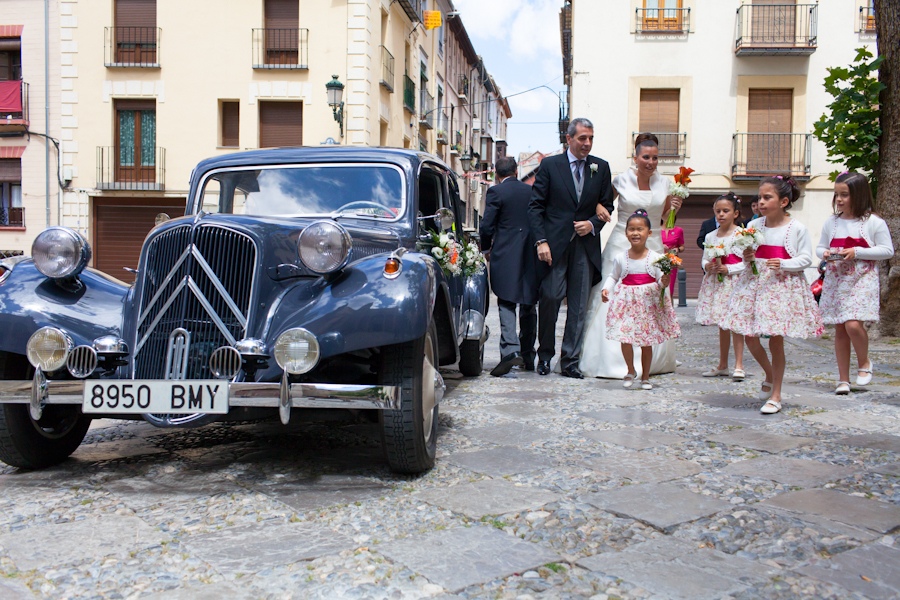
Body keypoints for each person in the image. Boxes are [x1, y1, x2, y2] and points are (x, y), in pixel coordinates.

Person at [578, 132, 683, 379]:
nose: (651, 162)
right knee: (613, 294)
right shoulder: (620, 181)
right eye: (646, 157)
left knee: (653, 296)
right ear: (635, 157)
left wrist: (675, 209)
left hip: (654, 243)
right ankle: (609, 358)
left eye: (655, 158)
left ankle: (652, 360)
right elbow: (600, 202)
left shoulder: (666, 183)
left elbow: (667, 218)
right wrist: (599, 208)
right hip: (621, 244)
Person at [723, 175, 823, 414]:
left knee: (776, 340)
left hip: (780, 287)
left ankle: (776, 393)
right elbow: (741, 249)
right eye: (760, 197)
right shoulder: (754, 226)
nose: (762, 201)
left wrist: (784, 264)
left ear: (784, 201)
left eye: (768, 197)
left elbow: (806, 257)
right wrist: (747, 255)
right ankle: (769, 372)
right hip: (755, 285)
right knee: (749, 336)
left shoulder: (796, 228)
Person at [528, 117, 614, 378]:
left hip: (585, 248)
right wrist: (541, 241)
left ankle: (570, 361)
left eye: (590, 139)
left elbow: (607, 206)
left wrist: (592, 223)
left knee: (578, 306)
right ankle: (544, 355)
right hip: (554, 246)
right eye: (582, 139)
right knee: (551, 297)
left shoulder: (601, 167)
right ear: (569, 139)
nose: (587, 144)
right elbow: (536, 206)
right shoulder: (550, 166)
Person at [815, 171, 894, 395]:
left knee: (852, 324)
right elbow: (820, 247)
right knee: (840, 329)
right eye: (836, 195)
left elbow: (887, 250)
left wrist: (857, 251)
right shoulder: (832, 222)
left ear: (858, 195)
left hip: (862, 278)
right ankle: (843, 378)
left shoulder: (873, 222)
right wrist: (826, 253)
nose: (839, 199)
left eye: (845, 195)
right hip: (837, 278)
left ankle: (864, 362)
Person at [601, 209, 681, 390]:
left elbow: (661, 280)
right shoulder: (621, 257)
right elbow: (614, 276)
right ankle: (630, 369)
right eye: (631, 229)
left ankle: (646, 376)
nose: (635, 233)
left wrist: (664, 281)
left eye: (640, 229)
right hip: (627, 302)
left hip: (647, 304)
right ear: (626, 232)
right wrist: (607, 289)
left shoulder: (656, 258)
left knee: (646, 341)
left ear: (649, 233)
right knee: (625, 337)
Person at [480, 156, 540, 376]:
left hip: (505, 253)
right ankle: (528, 355)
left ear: (497, 173)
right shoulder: (531, 191)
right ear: (516, 171)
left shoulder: (496, 192)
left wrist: (486, 248)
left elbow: (487, 225)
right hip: (531, 253)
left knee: (506, 300)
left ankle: (509, 351)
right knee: (528, 303)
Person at [695, 192, 746, 380]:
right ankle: (723, 364)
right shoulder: (710, 236)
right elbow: (705, 258)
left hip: (734, 283)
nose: (721, 215)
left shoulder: (741, 234)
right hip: (716, 282)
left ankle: (739, 364)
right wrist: (707, 266)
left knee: (735, 324)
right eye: (718, 211)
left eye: (726, 211)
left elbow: (747, 262)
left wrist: (729, 269)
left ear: (735, 213)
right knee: (722, 325)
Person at [660, 216, 685, 302]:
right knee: (658, 289)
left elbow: (682, 246)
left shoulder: (678, 230)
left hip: (671, 261)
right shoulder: (656, 230)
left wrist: (677, 249)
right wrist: (660, 246)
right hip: (658, 260)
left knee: (669, 290)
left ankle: (670, 312)